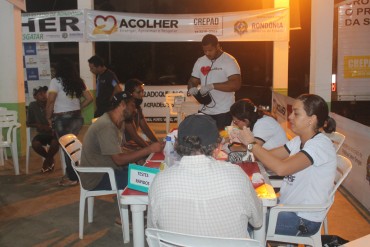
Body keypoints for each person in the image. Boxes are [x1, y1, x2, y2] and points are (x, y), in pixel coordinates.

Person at [235, 94, 337, 236]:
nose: (290, 117)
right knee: (241, 209)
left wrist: (251, 144)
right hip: (286, 207)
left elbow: (281, 169)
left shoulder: (320, 145)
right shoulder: (299, 140)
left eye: (296, 113)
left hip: (303, 219)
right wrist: (247, 145)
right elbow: (271, 156)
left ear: (311, 119)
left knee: (241, 221)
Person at [147, 114, 262, 238]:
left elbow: (153, 231)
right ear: (218, 147)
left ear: (177, 145)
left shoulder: (160, 181)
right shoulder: (237, 175)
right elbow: (257, 221)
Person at [79, 91, 164, 191]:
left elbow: (119, 149)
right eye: (133, 105)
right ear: (122, 104)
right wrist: (148, 149)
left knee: (151, 173)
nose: (135, 110)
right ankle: (135, 205)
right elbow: (119, 160)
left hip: (110, 169)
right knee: (151, 180)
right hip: (98, 178)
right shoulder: (106, 126)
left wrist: (137, 158)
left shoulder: (118, 122)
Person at [46, 58, 93, 186]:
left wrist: (48, 117)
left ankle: (72, 177)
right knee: (71, 147)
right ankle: (73, 173)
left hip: (61, 118)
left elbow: (50, 101)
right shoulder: (78, 82)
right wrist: (78, 107)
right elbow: (89, 98)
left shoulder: (55, 82)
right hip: (77, 118)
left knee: (68, 149)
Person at [187, 34, 241, 130]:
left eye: (210, 50)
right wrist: (192, 88)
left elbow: (236, 84)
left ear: (218, 46)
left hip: (223, 111)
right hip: (204, 110)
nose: (207, 53)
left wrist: (212, 86)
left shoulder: (229, 61)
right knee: (202, 138)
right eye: (205, 51)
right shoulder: (200, 61)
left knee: (220, 140)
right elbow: (193, 80)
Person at [27, 86, 59, 173]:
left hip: (53, 133)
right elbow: (28, 123)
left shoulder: (52, 104)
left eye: (45, 93)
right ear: (35, 97)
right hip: (41, 134)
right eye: (40, 94)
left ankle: (46, 162)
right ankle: (50, 159)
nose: (43, 95)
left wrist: (52, 127)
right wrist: (38, 125)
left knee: (55, 143)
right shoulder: (32, 106)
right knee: (35, 144)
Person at [123, 78, 158, 149]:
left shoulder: (138, 108)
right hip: (125, 146)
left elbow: (145, 128)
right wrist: (150, 149)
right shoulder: (126, 110)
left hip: (132, 143)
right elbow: (134, 136)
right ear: (130, 93)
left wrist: (157, 142)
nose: (142, 95)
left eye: (142, 91)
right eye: (139, 92)